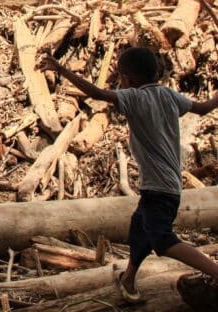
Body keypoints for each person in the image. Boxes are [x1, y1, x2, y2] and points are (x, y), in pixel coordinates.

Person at [40, 47, 218, 302]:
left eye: (120, 76)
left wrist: (62, 70)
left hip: (159, 187)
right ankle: (129, 280)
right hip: (165, 184)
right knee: (139, 229)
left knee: (162, 239)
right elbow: (202, 108)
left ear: (128, 78)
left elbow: (98, 93)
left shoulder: (135, 97)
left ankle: (214, 271)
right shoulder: (168, 95)